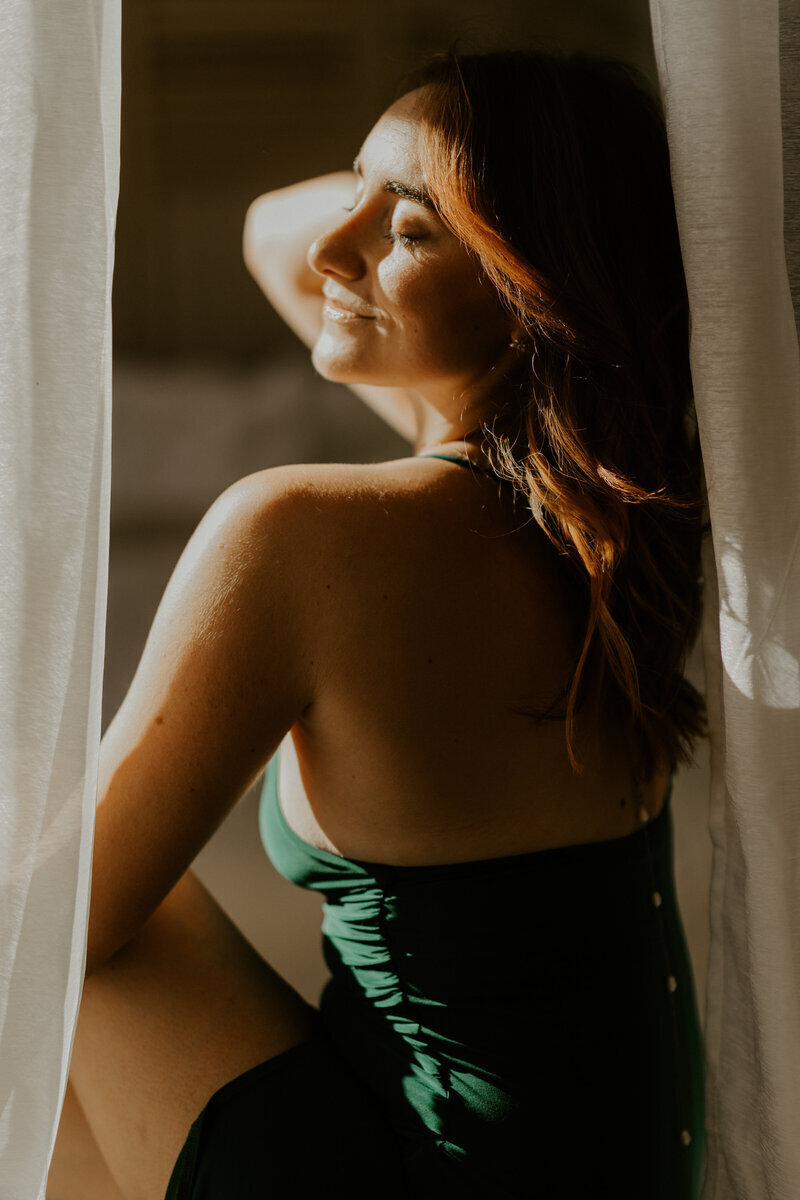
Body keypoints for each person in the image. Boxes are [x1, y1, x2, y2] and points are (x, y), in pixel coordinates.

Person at [49, 46, 707, 1200]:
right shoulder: (616, 526)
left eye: (406, 232)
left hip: (430, 1179)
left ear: (535, 287)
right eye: (350, 194)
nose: (327, 250)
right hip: (617, 1166)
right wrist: (420, 164)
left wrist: (432, 162)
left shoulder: (301, 534)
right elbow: (272, 231)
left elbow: (69, 924)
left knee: (42, 867)